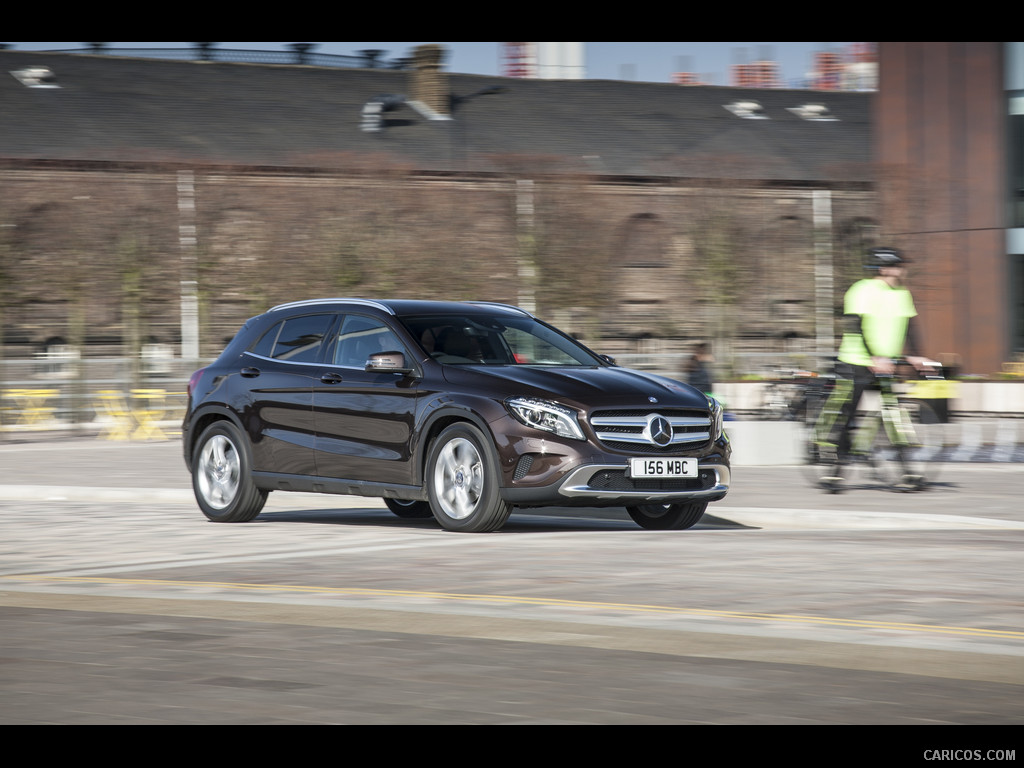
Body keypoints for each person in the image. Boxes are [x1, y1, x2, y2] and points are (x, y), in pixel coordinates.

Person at [817, 247, 933, 489]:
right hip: (856, 363)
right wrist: (874, 357)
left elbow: (911, 326)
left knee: (894, 416)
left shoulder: (903, 294)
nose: (903, 270)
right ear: (884, 268)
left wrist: (916, 355)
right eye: (898, 266)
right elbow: (855, 327)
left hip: (885, 365)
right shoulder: (861, 290)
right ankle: (835, 473)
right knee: (847, 416)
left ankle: (908, 473)